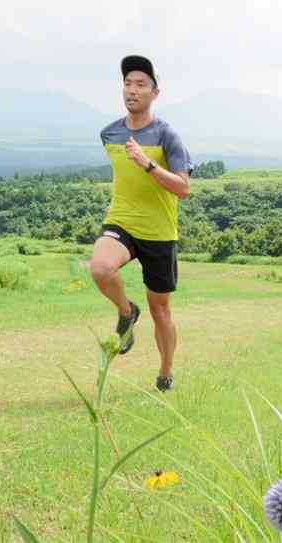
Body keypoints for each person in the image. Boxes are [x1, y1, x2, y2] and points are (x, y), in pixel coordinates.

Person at [90, 54, 192, 392]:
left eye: (140, 85)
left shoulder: (168, 135)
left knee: (160, 310)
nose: (131, 90)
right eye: (127, 83)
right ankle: (125, 311)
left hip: (160, 232)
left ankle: (165, 373)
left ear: (154, 93)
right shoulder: (109, 133)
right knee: (101, 268)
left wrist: (148, 164)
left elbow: (183, 188)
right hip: (122, 221)